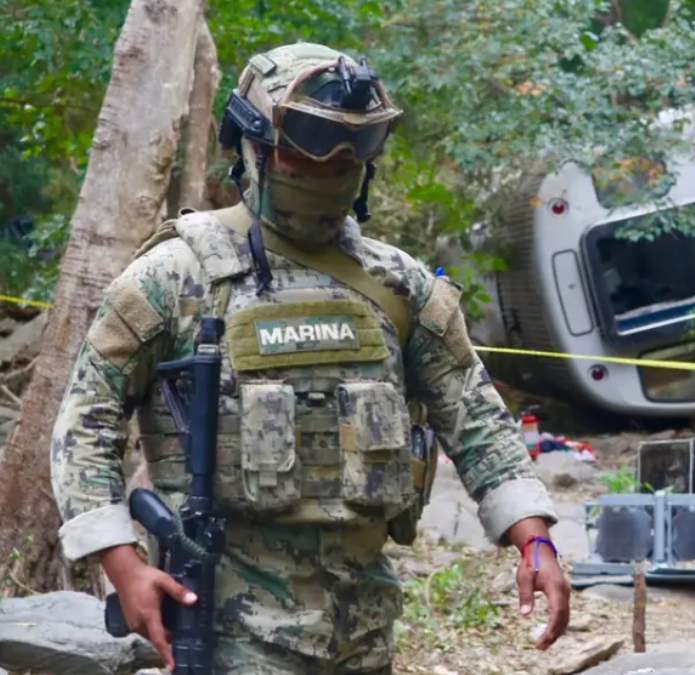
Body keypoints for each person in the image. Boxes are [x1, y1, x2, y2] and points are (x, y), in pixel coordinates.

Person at [49, 42, 569, 674]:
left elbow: (475, 417)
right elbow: (85, 423)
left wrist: (534, 538)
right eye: (311, 146)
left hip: (363, 629)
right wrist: (121, 562)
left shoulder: (399, 286)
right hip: (228, 633)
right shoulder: (174, 279)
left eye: (355, 147)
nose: (333, 166)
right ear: (255, 145)